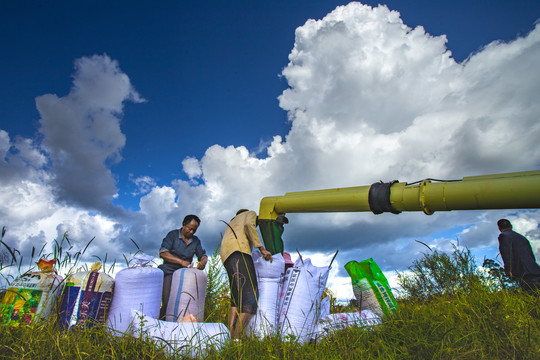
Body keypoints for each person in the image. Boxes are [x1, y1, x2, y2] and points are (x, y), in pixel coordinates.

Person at [220, 209, 273, 338]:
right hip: (240, 253)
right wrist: (261, 248)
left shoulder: (233, 221)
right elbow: (250, 225)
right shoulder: (250, 214)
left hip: (227, 256)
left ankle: (230, 336)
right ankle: (236, 338)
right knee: (251, 298)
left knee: (236, 299)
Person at [158, 214, 208, 319]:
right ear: (184, 225)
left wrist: (203, 262)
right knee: (168, 302)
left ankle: (181, 325)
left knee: (185, 302)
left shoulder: (196, 241)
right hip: (169, 272)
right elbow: (163, 253)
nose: (192, 232)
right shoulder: (172, 235)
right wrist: (181, 262)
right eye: (190, 229)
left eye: (194, 230)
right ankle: (161, 324)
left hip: (184, 275)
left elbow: (202, 255)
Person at [497, 218, 540, 293]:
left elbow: (506, 253)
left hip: (524, 272)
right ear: (511, 226)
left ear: (499, 228)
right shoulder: (522, 238)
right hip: (535, 270)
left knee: (530, 295)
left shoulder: (504, 236)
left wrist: (508, 269)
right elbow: (531, 254)